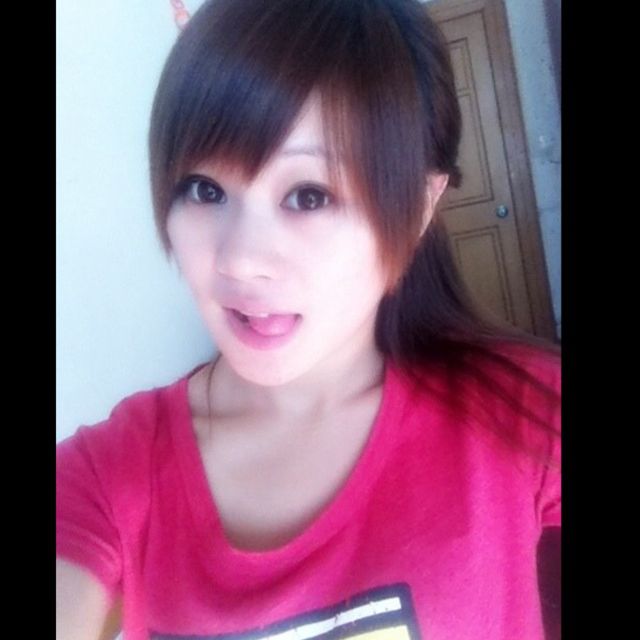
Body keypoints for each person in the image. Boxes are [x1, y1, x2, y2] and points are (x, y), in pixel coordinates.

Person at [56, 1, 561, 639]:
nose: (240, 260)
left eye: (309, 195)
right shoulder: (108, 475)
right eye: (206, 189)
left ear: (417, 209)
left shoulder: (518, 413)